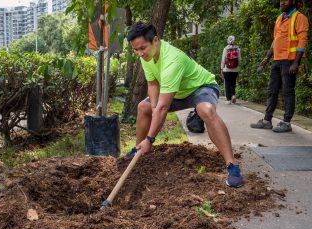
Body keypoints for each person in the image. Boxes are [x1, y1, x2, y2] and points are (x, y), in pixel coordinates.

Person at [124, 22, 244, 188]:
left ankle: (232, 165)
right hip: (178, 92)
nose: (139, 53)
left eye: (142, 48)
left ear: (156, 41)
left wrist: (150, 138)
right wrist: (153, 107)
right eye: (135, 50)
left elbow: (163, 108)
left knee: (206, 110)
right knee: (143, 107)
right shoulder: (147, 56)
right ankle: (139, 150)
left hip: (201, 87)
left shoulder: (172, 59)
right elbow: (152, 84)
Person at [250, 0, 309, 133]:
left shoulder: (300, 18)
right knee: (272, 90)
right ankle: (267, 120)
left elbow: (302, 41)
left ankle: (286, 122)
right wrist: (266, 58)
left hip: (289, 61)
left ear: (293, 1)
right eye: (281, 0)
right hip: (277, 60)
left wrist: (296, 62)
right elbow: (275, 41)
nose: (282, 3)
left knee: (288, 92)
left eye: (285, 0)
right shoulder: (279, 18)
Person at [221, 35, 241, 104]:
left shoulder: (225, 49)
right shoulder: (237, 49)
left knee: (227, 83)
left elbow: (223, 60)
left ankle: (228, 99)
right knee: (233, 83)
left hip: (227, 70)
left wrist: (222, 68)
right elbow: (239, 60)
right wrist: (238, 68)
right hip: (235, 70)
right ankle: (233, 95)